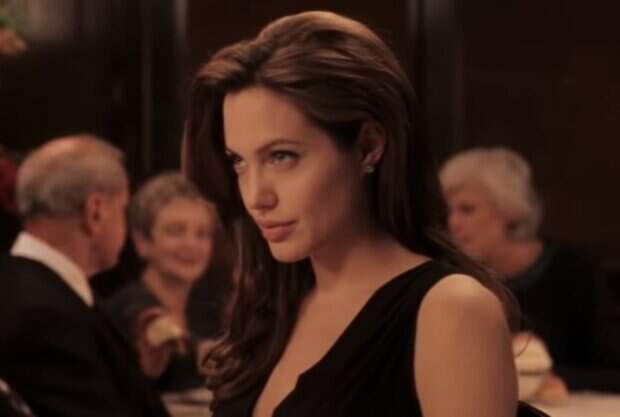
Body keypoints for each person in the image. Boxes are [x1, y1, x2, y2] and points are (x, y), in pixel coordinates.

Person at [183, 11, 518, 417]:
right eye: (239, 161)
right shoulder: (274, 306)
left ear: (368, 147)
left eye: (281, 156)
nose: (256, 196)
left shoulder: (451, 310)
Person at [0, 134, 171, 417]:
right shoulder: (44, 316)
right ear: (95, 212)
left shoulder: (35, 287)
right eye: (123, 208)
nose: (126, 223)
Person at [440, 146, 620, 395]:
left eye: (467, 209)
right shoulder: (449, 276)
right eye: (447, 211)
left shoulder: (574, 273)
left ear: (510, 211)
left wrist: (543, 374)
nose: (452, 223)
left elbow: (613, 371)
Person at [106, 172, 233, 394]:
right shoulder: (127, 308)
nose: (191, 244)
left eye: (202, 234)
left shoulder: (216, 309)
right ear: (142, 241)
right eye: (175, 232)